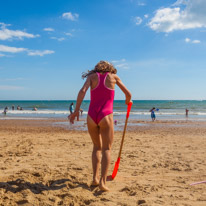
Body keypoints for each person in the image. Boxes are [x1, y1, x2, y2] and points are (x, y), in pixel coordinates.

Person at [68, 61, 132, 191]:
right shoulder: (113, 77)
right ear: (110, 68)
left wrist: (76, 111)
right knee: (106, 149)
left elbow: (82, 91)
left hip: (92, 116)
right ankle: (103, 182)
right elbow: (128, 94)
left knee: (96, 147)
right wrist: (127, 101)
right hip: (106, 115)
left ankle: (95, 179)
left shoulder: (91, 77)